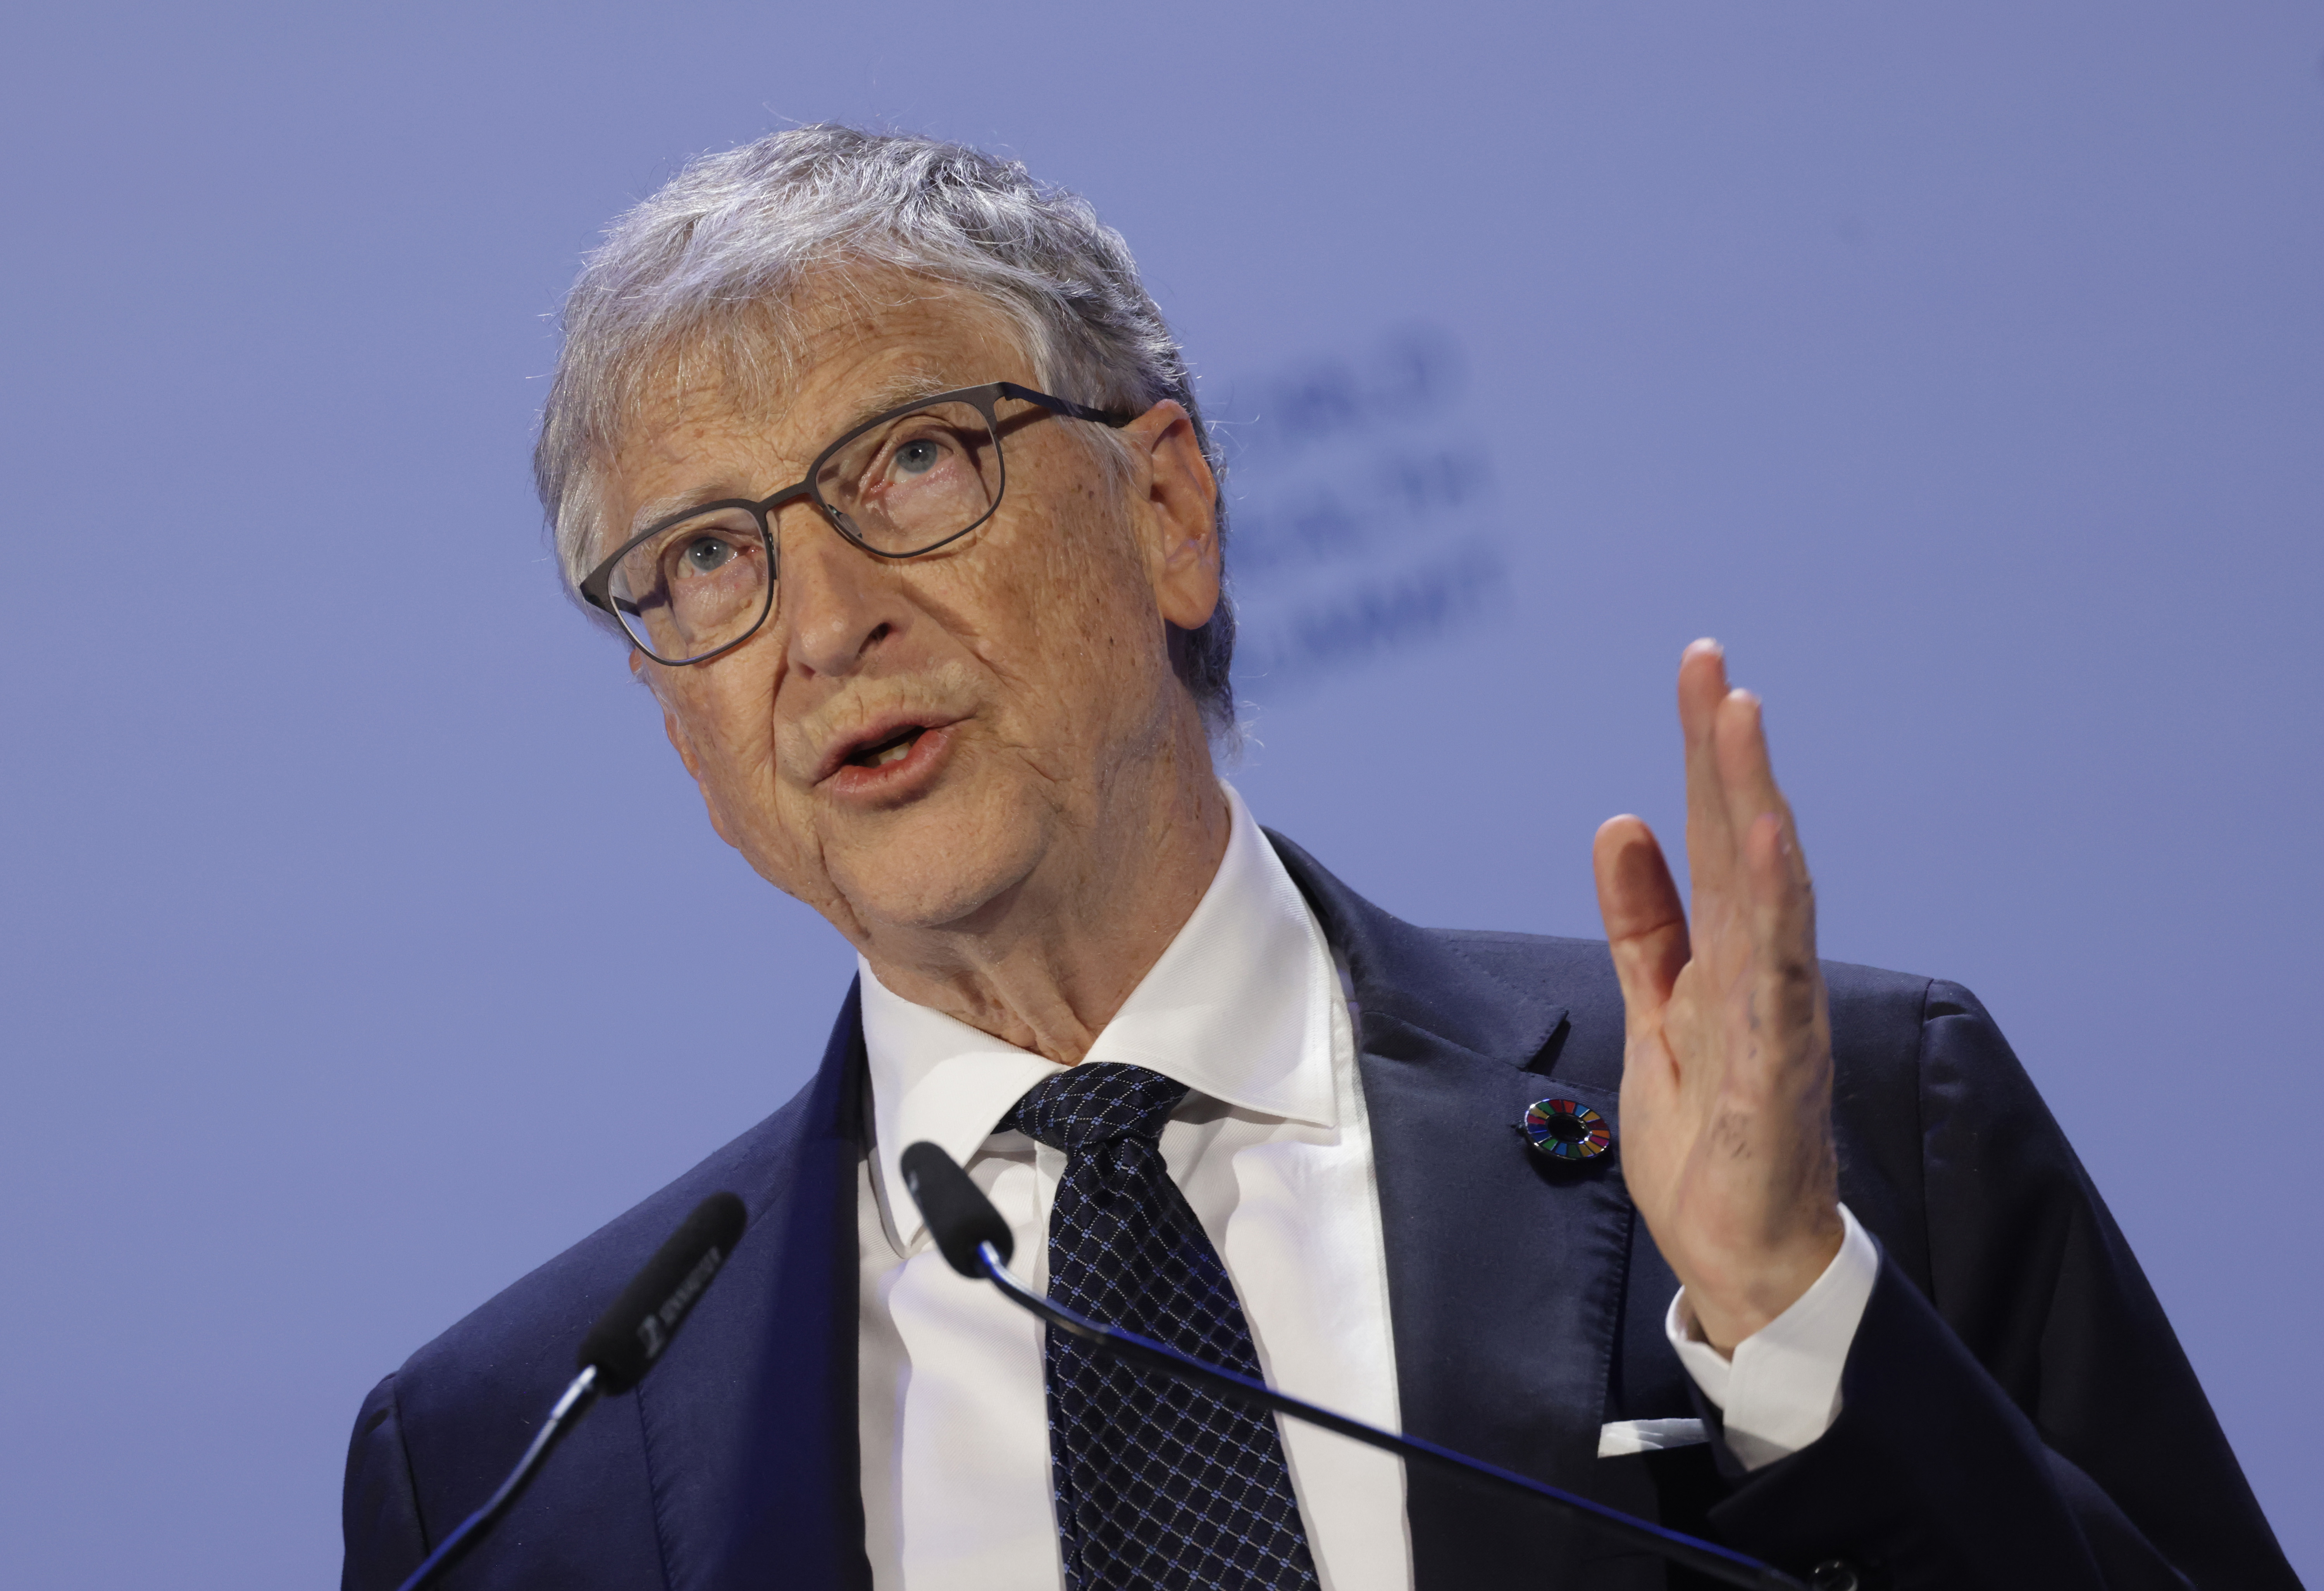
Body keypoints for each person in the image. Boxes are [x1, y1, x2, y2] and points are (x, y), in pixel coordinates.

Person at [340, 126, 2298, 1591]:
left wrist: (1795, 1328)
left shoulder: (1860, 1126)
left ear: (1172, 509)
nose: (821, 616)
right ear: (677, 721)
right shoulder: (518, 1460)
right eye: (700, 559)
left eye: (912, 461)